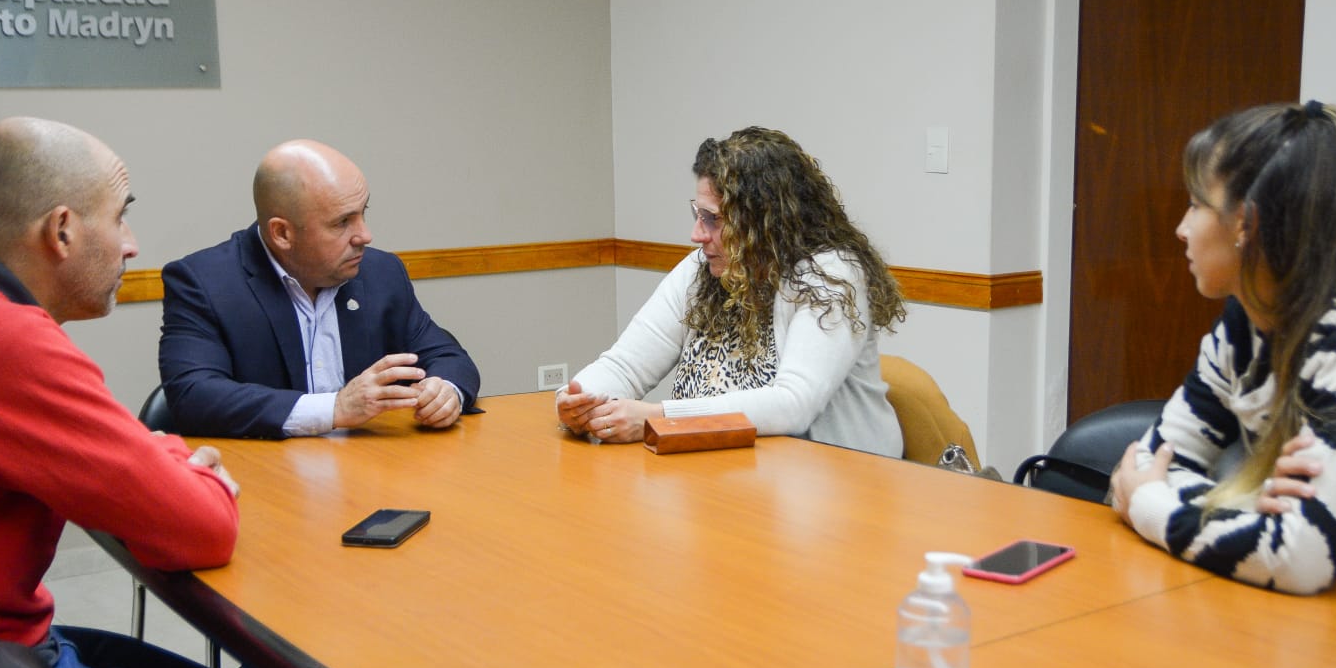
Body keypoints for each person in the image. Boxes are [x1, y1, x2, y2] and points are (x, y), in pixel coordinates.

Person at [0, 118, 351, 668]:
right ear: (61, 231)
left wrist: (152, 463)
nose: (131, 245)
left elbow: (118, 466)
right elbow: (199, 526)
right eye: (120, 218)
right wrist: (182, 468)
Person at [1109, 101, 1336, 594]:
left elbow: (1301, 562)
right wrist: (1251, 507)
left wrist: (1155, 507)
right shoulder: (1243, 325)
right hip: (1318, 605)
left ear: (1246, 225)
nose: (1181, 228)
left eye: (1195, 204)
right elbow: (1136, 471)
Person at [556, 126, 907, 457]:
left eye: (714, 219)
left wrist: (659, 417)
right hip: (726, 475)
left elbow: (792, 405)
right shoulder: (702, 269)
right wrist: (578, 403)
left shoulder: (828, 276)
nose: (697, 234)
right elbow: (626, 367)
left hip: (838, 487)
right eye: (697, 214)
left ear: (765, 222)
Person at [159, 139, 480, 438]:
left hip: (374, 470)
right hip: (267, 478)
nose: (364, 236)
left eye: (363, 213)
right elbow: (193, 395)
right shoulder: (204, 283)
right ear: (282, 233)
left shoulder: (381, 273)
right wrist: (335, 409)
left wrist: (446, 391)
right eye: (342, 223)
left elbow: (447, 355)